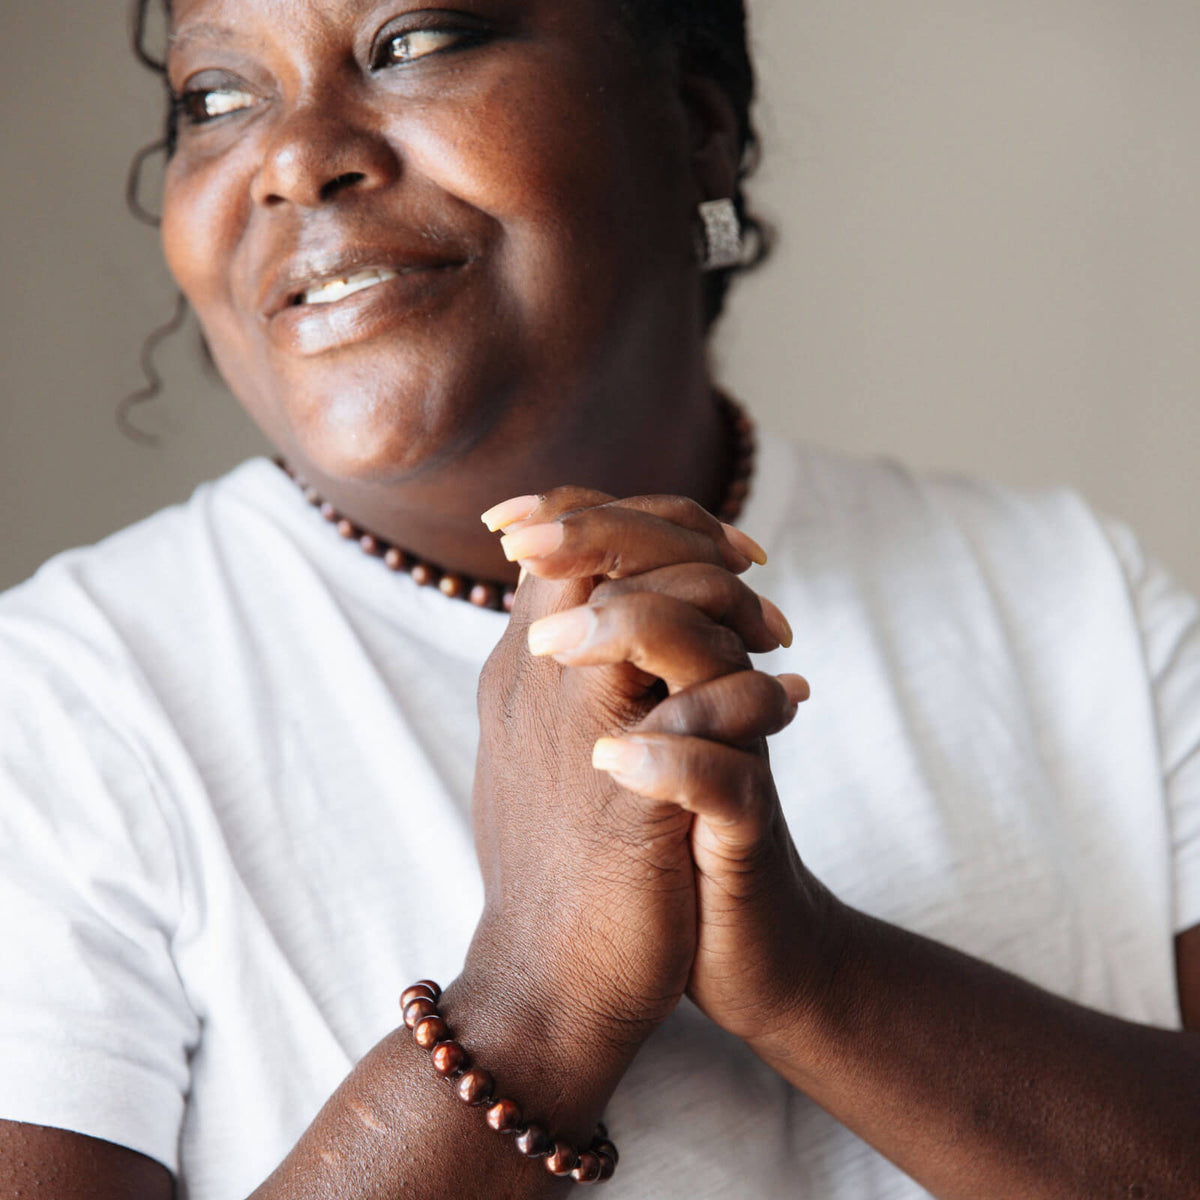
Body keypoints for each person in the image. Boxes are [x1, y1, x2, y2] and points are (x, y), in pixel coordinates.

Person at [1, 0, 1198, 1196]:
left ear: (693, 126)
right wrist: (533, 998)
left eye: (415, 41)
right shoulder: (55, 708)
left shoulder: (1069, 595)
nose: (299, 156)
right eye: (215, 99)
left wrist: (817, 980)